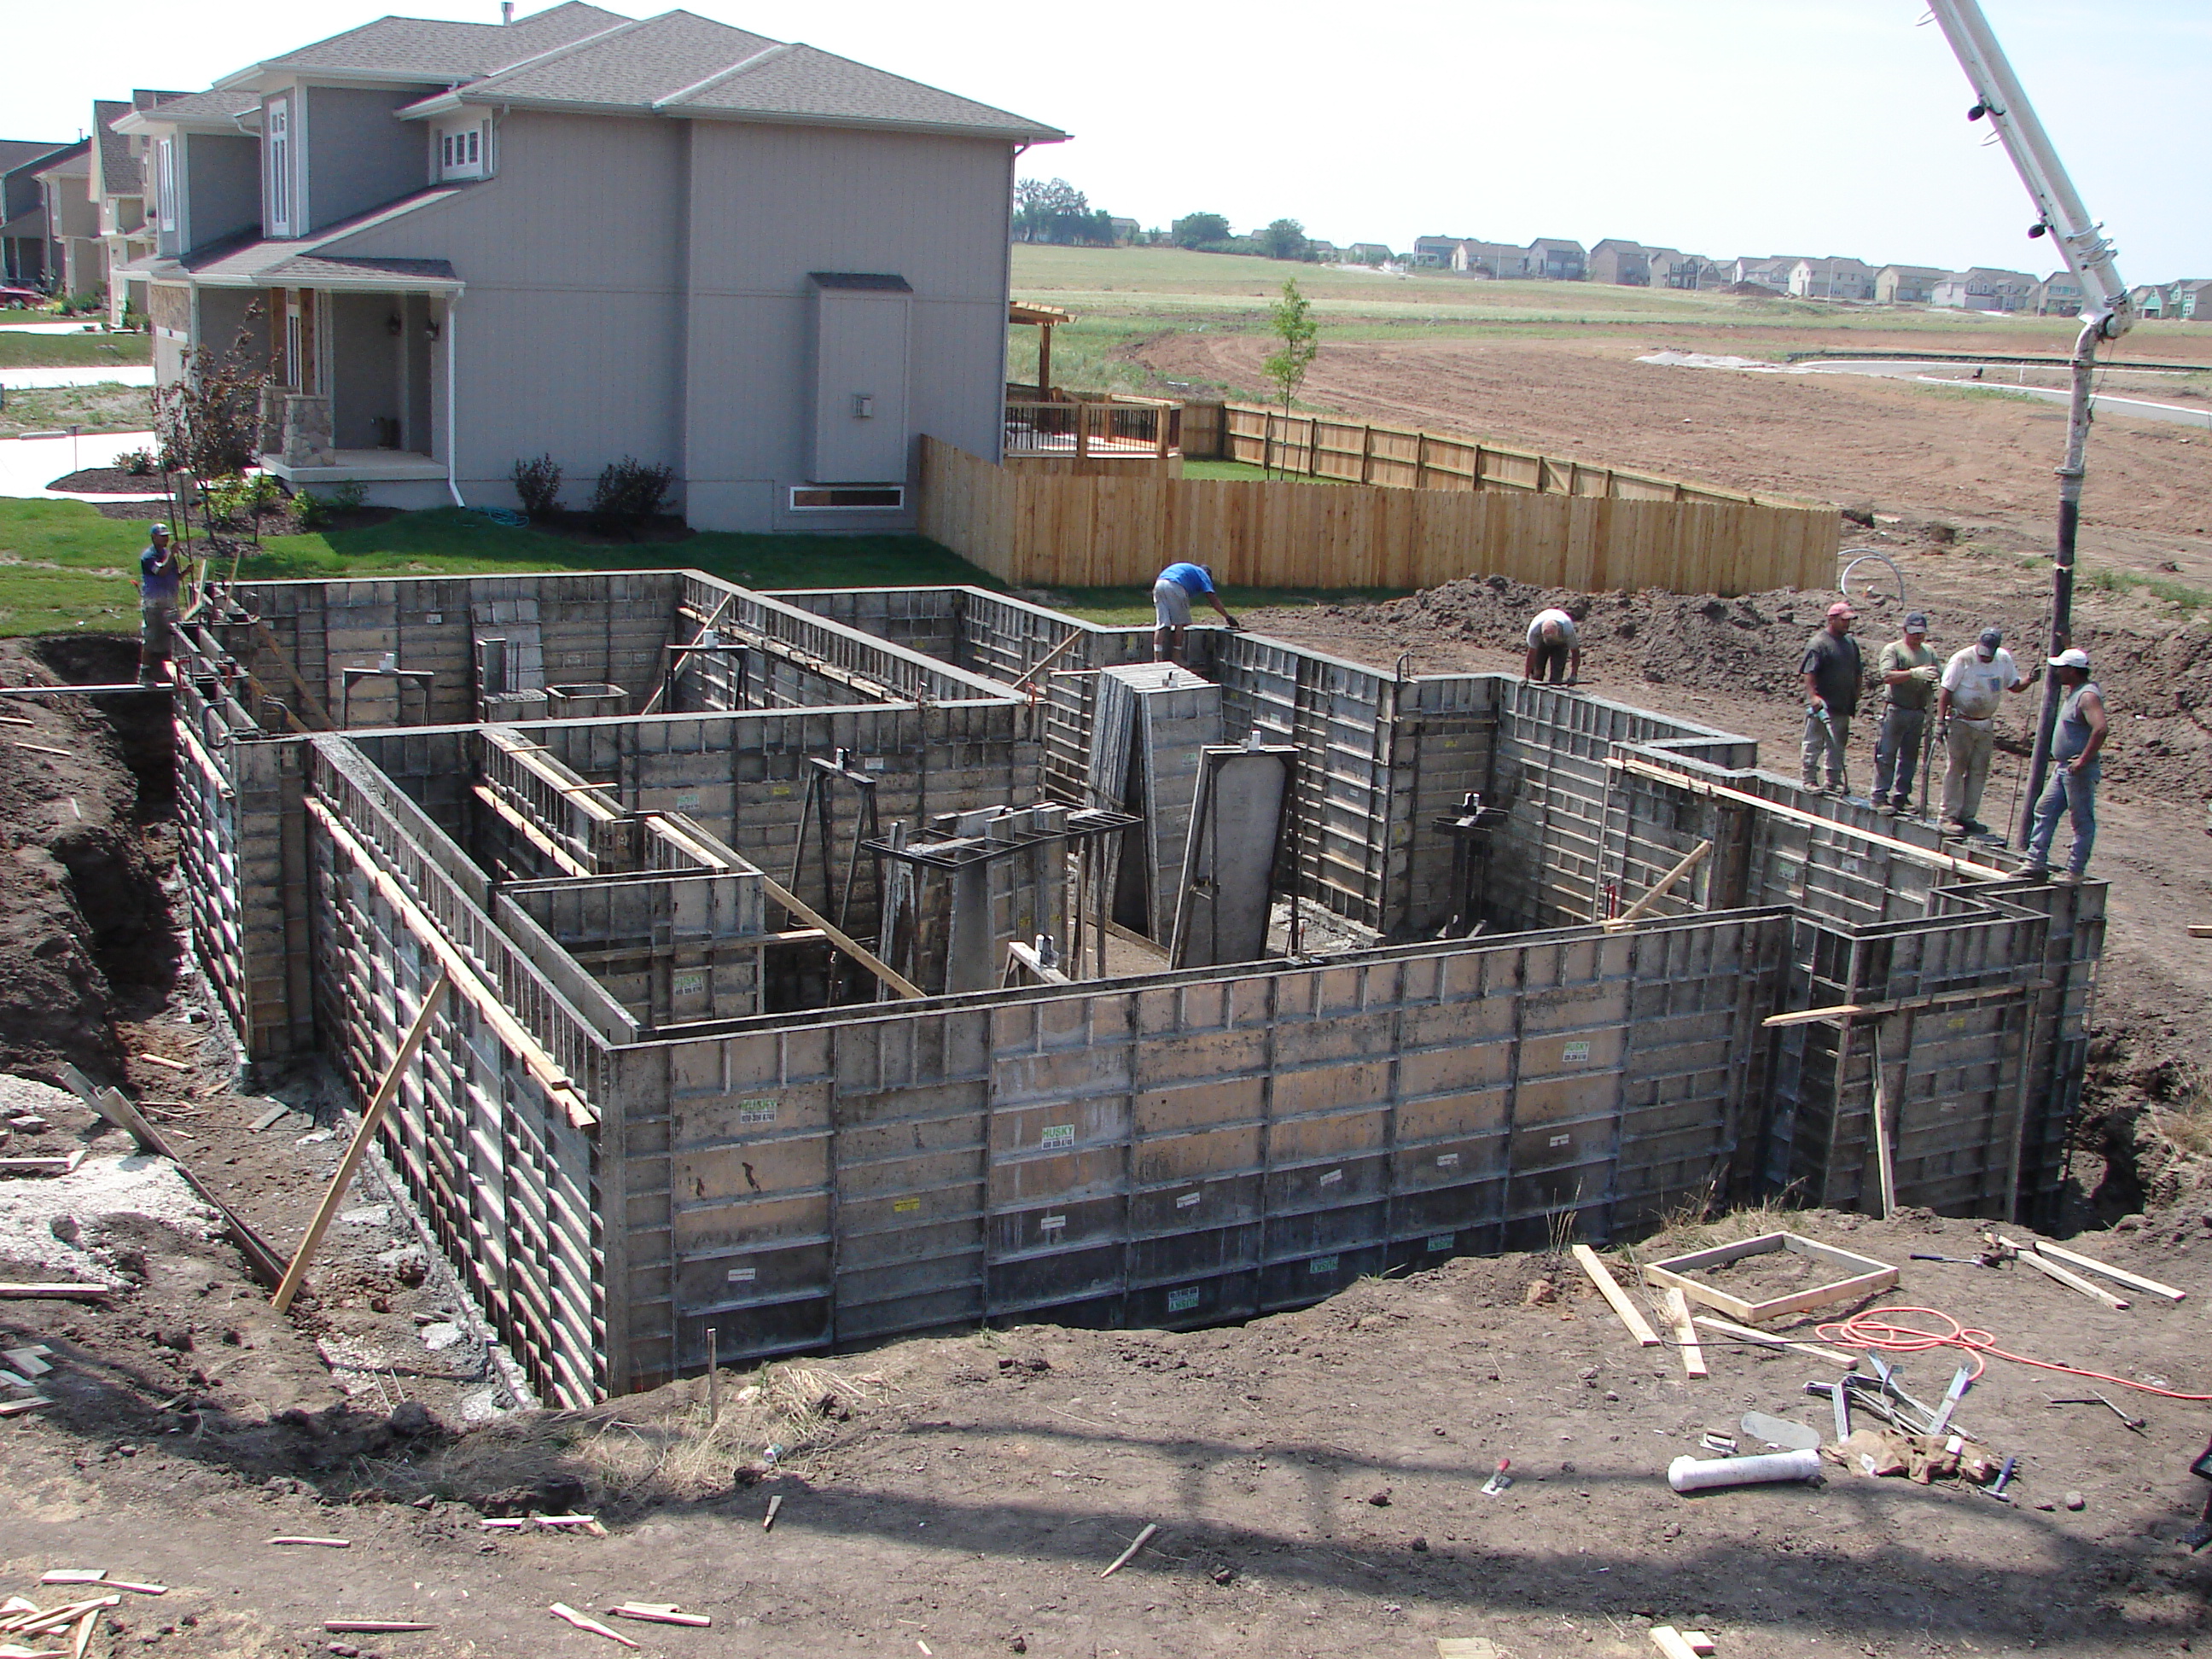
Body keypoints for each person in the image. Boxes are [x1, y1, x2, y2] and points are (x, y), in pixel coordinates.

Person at [1937, 626, 2030, 835]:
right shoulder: (1963, 659)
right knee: (1956, 768)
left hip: (1984, 723)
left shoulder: (2003, 660)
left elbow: (2014, 686)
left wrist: (2029, 680)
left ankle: (1967, 816)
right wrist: (1940, 721)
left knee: (1979, 769)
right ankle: (1947, 816)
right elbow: (1946, 691)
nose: (1985, 657)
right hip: (1961, 721)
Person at [2024, 649, 2107, 881]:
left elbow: (2100, 729)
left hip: (2077, 769)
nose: (2057, 672)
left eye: (2062, 668)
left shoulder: (2088, 696)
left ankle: (2075, 871)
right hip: (2063, 768)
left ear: (2073, 670)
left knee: (2081, 820)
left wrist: (2082, 760)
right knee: (2044, 809)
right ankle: (2035, 861)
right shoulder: (2076, 692)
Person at [1871, 612, 1940, 816]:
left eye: (1921, 633)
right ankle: (1880, 796)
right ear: (1905, 631)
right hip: (1896, 709)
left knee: (1909, 757)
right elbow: (1887, 675)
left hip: (1917, 711)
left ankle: (1902, 796)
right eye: (1914, 633)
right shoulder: (1894, 650)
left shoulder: (1929, 652)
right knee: (1886, 754)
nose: (1918, 637)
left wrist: (1934, 687)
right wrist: (1913, 673)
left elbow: (1938, 674)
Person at [1799, 600, 1863, 795]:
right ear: (1832, 620)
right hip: (1823, 705)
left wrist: (1856, 693)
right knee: (1814, 742)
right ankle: (1809, 779)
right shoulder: (1819, 644)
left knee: (1837, 745)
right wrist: (1813, 697)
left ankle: (1832, 782)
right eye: (1843, 620)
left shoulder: (1850, 643)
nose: (1847, 624)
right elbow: (1809, 673)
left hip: (1843, 703)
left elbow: (1857, 670)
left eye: (1849, 620)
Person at [1152, 562, 1237, 664]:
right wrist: (1228, 617)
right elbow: (1213, 599)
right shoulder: (1203, 575)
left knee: (1162, 623)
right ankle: (1177, 657)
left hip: (1159, 584)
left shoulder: (1190, 571)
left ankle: (1157, 658)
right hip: (1175, 586)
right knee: (1180, 623)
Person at [137, 521, 183, 685]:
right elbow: (162, 571)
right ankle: (145, 672)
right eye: (162, 537)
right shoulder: (149, 556)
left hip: (169, 602)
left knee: (174, 636)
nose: (165, 540)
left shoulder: (167, 555)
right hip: (154, 604)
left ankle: (170, 670)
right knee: (151, 637)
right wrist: (172, 555)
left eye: (166, 537)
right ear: (153, 537)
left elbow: (174, 576)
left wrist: (186, 572)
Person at [1522, 606, 1580, 684]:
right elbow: (1531, 653)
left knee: (1556, 676)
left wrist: (1574, 675)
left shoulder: (1567, 630)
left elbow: (1575, 652)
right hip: (1542, 643)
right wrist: (1526, 676)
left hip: (1560, 643)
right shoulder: (1534, 631)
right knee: (1537, 673)